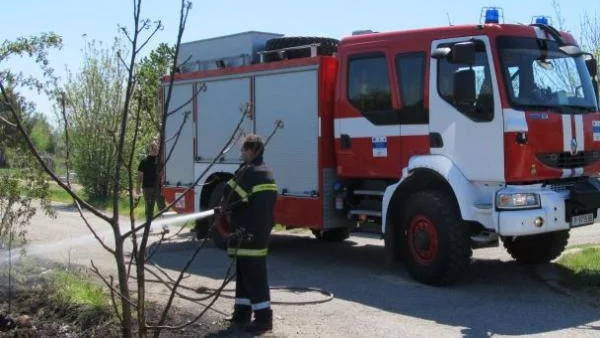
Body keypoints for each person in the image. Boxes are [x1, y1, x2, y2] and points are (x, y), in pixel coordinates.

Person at [221, 134, 277, 333]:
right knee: (245, 273)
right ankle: (242, 313)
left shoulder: (248, 172)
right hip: (259, 233)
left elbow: (229, 196)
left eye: (243, 150)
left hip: (246, 232)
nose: (241, 153)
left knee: (254, 277)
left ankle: (263, 319)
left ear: (252, 151)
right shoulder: (267, 172)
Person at [136, 140, 166, 222]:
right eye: (152, 147)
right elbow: (140, 175)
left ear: (157, 148)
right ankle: (149, 225)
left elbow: (163, 174)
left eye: (155, 147)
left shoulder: (160, 161)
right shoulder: (144, 161)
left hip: (158, 187)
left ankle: (165, 225)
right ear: (149, 149)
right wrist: (138, 187)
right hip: (147, 188)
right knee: (149, 207)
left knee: (161, 206)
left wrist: (163, 183)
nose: (154, 149)